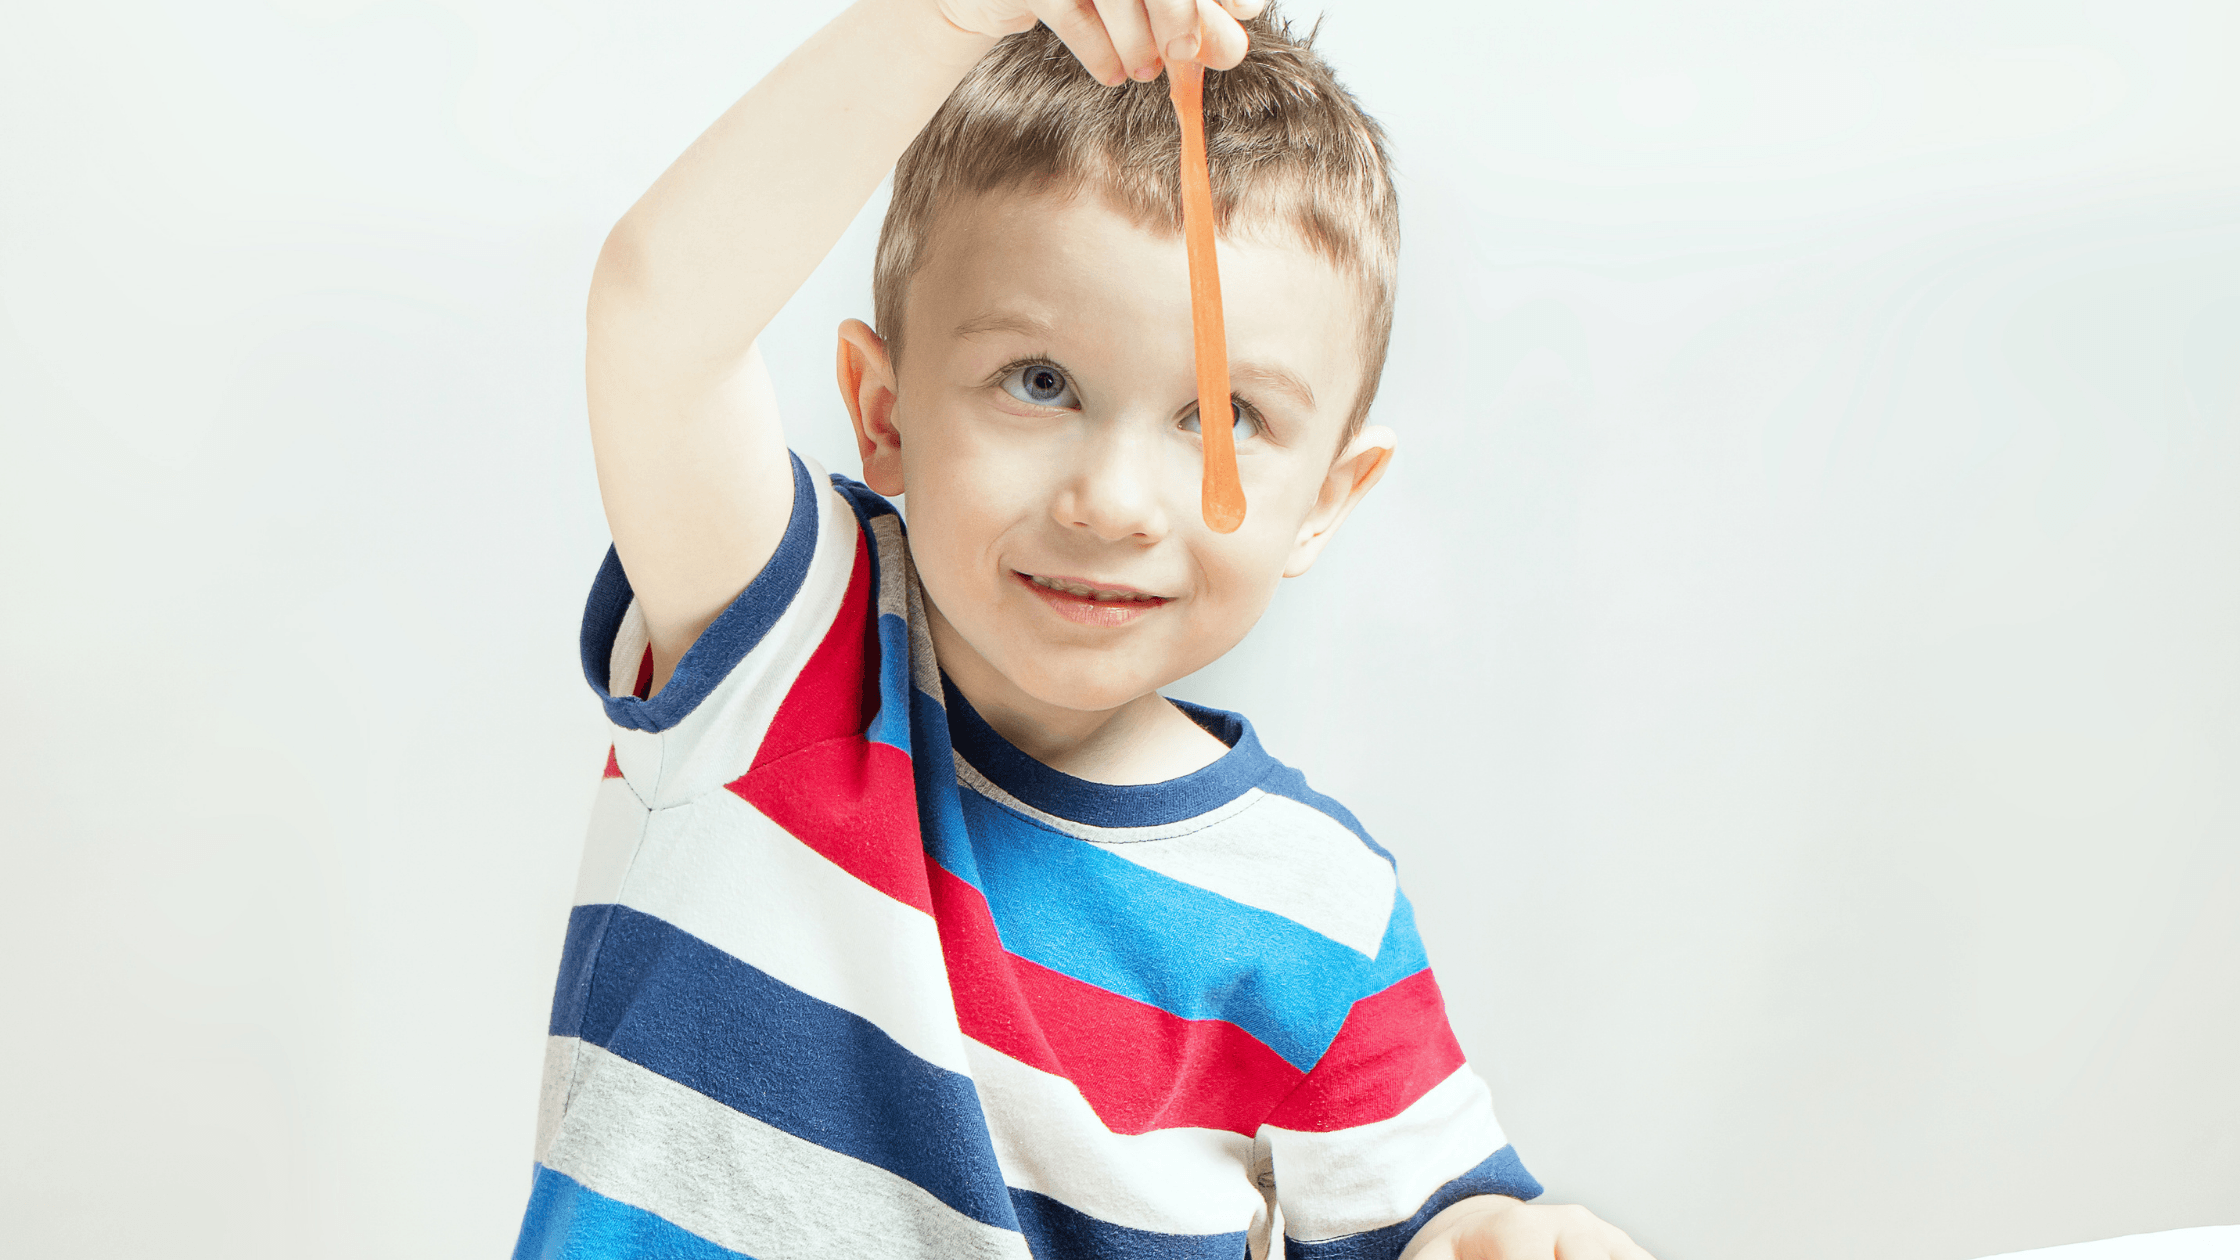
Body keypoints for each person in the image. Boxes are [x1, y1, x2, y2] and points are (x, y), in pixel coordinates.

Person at [518, 1, 1655, 1257]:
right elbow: (660, 317)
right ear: (882, 412)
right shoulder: (784, 643)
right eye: (1038, 382)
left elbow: (1440, 1221)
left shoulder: (1318, 912)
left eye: (1220, 419)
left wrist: (1504, 1237)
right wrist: (942, 18)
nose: (1112, 504)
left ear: (1323, 502)